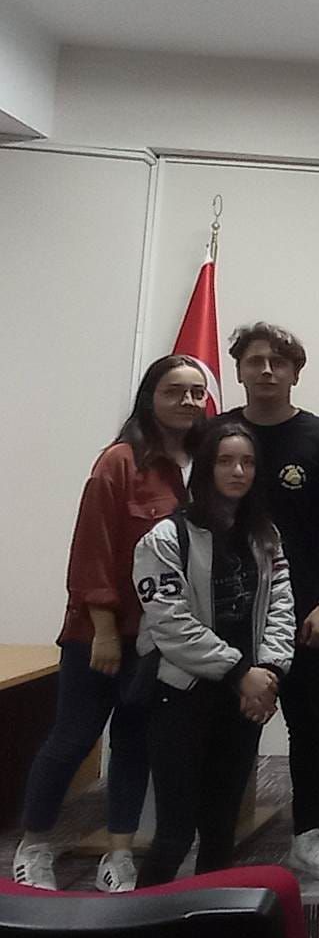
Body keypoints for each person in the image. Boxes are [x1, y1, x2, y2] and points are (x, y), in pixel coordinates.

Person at [12, 356, 208, 892]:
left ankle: (119, 853)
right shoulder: (119, 462)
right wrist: (102, 629)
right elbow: (91, 553)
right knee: (73, 738)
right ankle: (34, 845)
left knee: (134, 742)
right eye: (175, 391)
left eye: (197, 392)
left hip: (159, 635)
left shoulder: (201, 465)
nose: (188, 402)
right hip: (100, 635)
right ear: (150, 397)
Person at [220, 323, 319, 883]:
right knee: (230, 727)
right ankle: (216, 836)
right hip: (230, 612)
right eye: (255, 360)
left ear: (295, 373)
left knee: (312, 726)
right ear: (238, 369)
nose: (266, 370)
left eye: (278, 362)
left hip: (304, 611)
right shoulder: (218, 435)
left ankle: (307, 833)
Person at [132, 421, 295, 886]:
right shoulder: (166, 538)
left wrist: (268, 671)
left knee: (222, 830)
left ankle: (210, 923)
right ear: (205, 467)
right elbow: (171, 626)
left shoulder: (264, 535)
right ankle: (140, 923)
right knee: (174, 834)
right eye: (225, 461)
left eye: (247, 462)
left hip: (243, 698)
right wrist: (241, 671)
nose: (238, 471)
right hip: (181, 696)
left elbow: (281, 604)